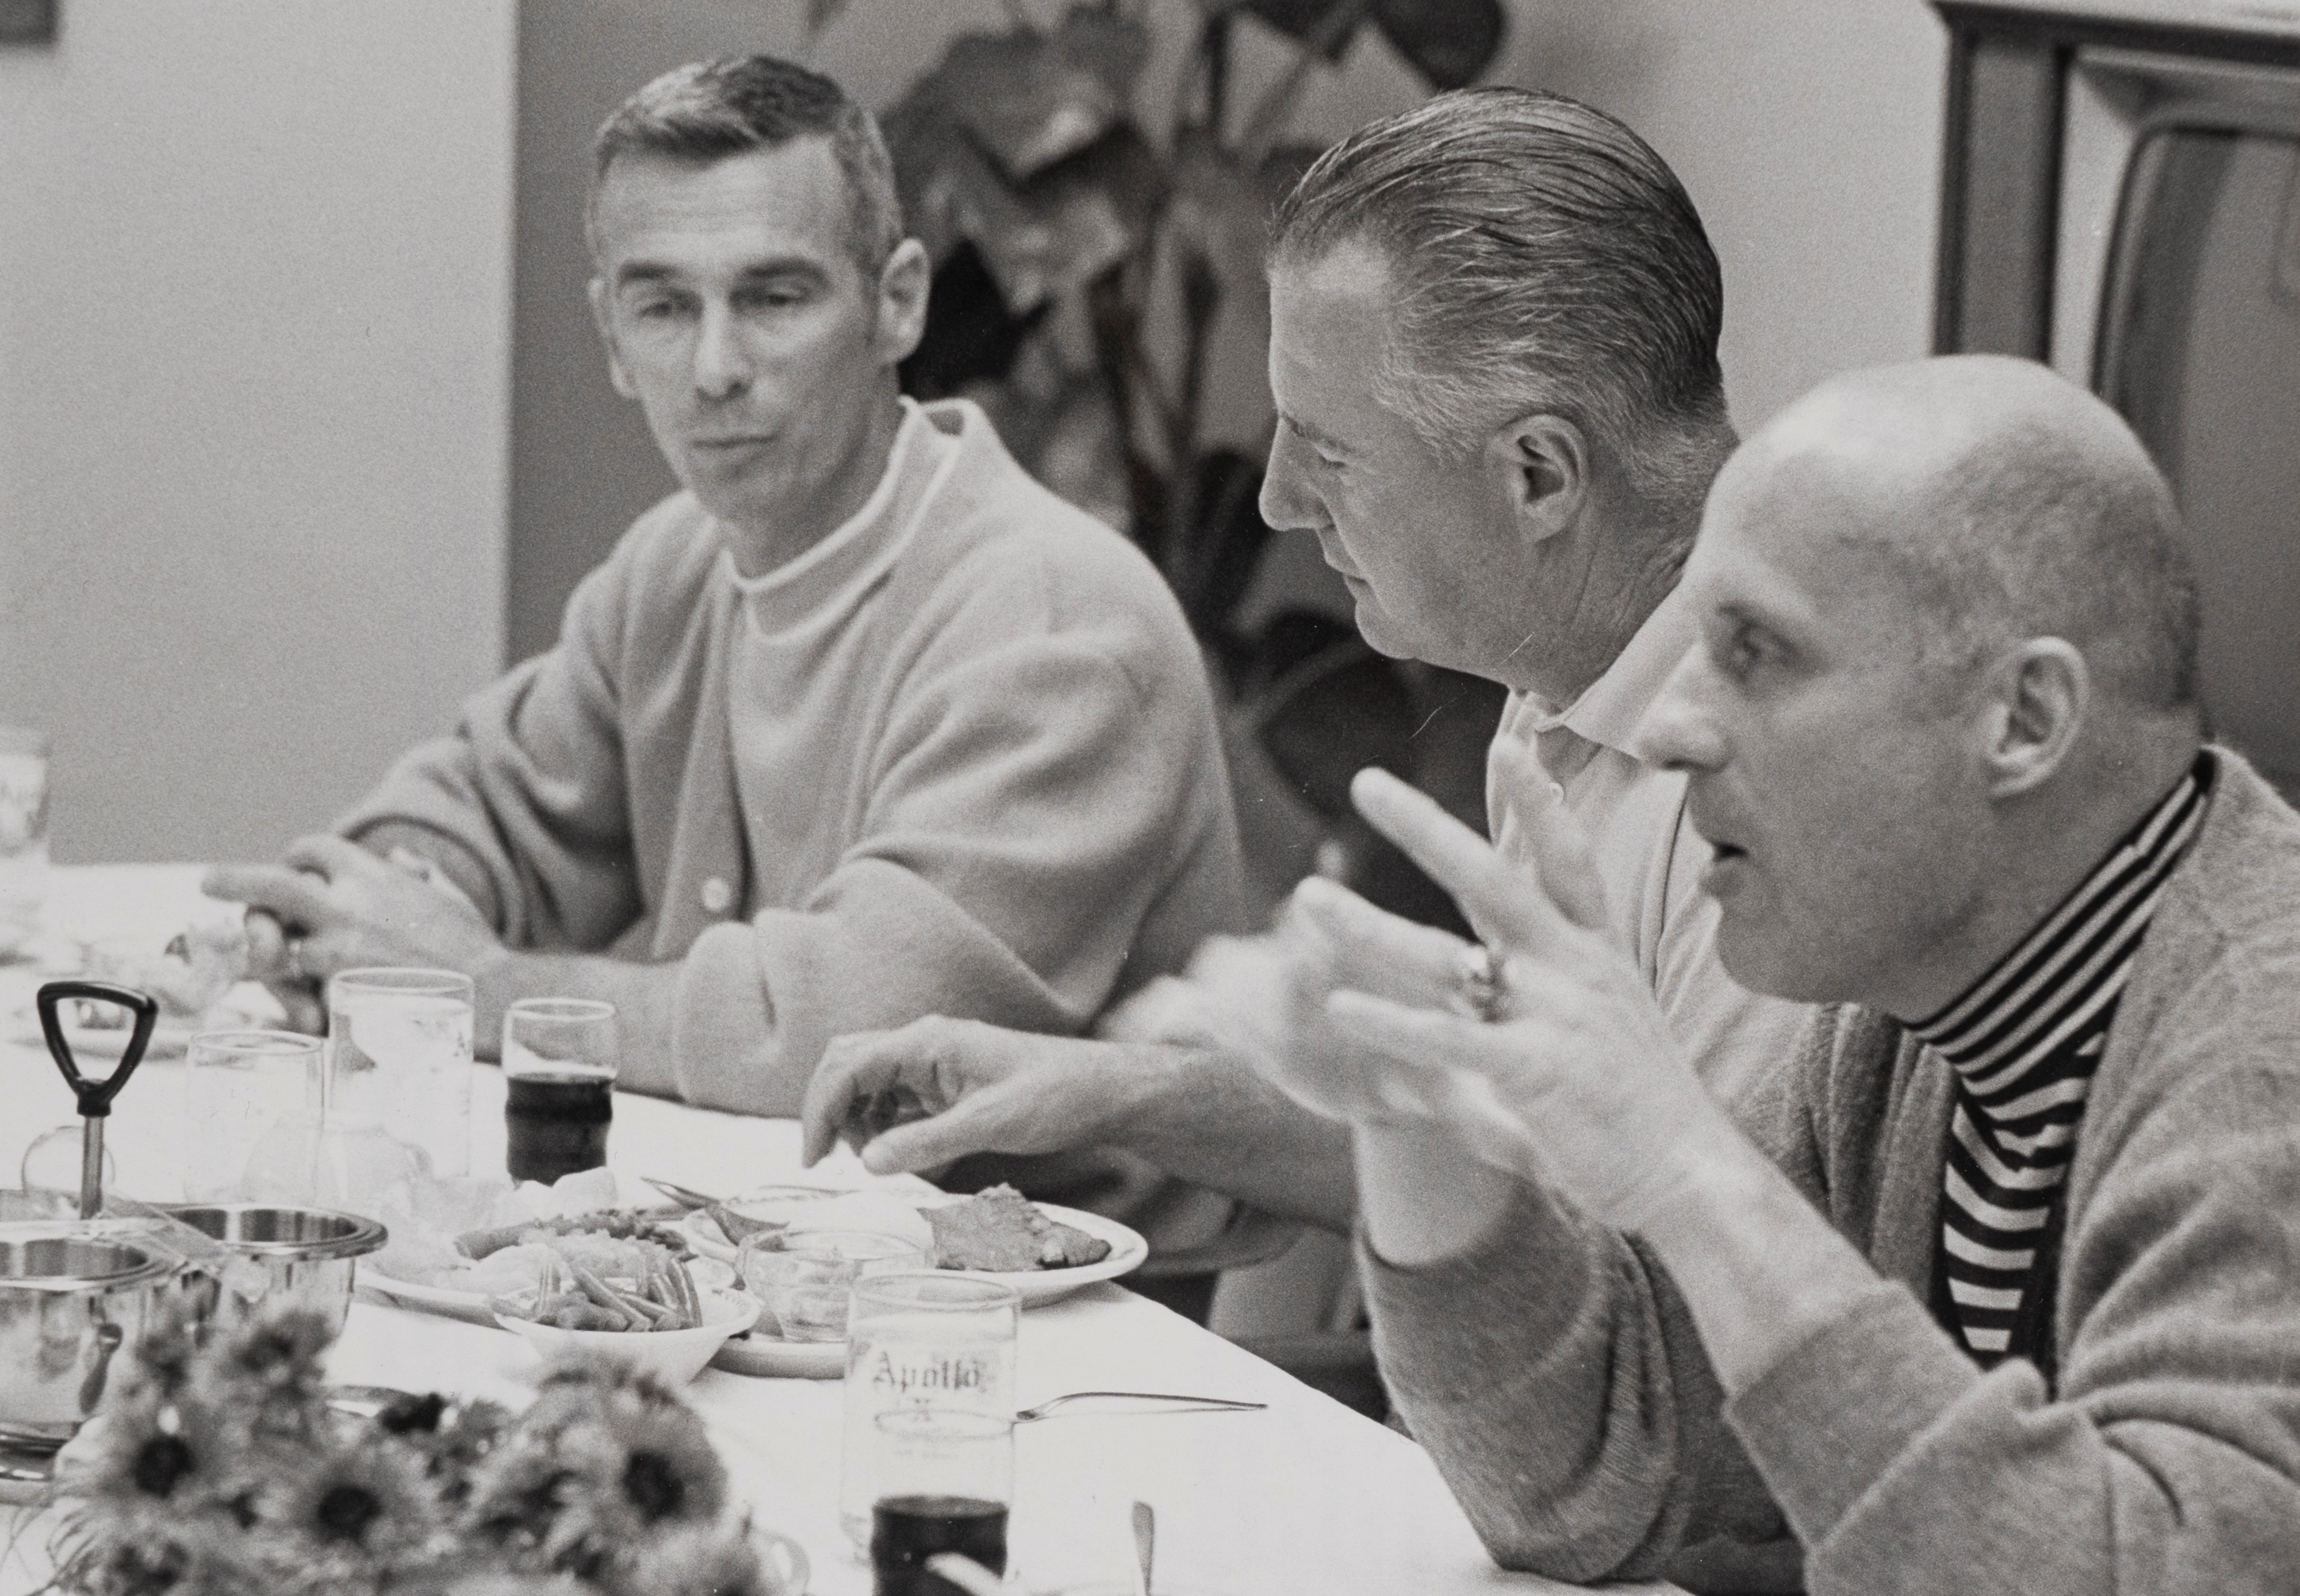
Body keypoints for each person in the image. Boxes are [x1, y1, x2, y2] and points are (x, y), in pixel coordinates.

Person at [1284, 355, 2300, 1593]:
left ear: (2023, 719)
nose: (1665, 726)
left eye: (1754, 650)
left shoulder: (2260, 1041)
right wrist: (1419, 1112)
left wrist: (1687, 1163)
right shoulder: (1915, 1014)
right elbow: (1594, 1479)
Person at [800, 87, 1812, 1236]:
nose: (1277, 500)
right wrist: (1112, 1093)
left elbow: (1674, 1294)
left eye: (1328, 454)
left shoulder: (1772, 777)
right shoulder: (1574, 684)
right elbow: (1519, 1170)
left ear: (1538, 475)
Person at [204, 56, 1243, 1116]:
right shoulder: (677, 562)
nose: (713, 367)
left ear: (897, 305)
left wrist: (474, 985)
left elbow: (856, 1043)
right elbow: (488, 807)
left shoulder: (1057, 626)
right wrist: (363, 913)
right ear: (612, 336)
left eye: (773, 296)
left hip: (1035, 1275)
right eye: (663, 308)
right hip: (767, 1245)